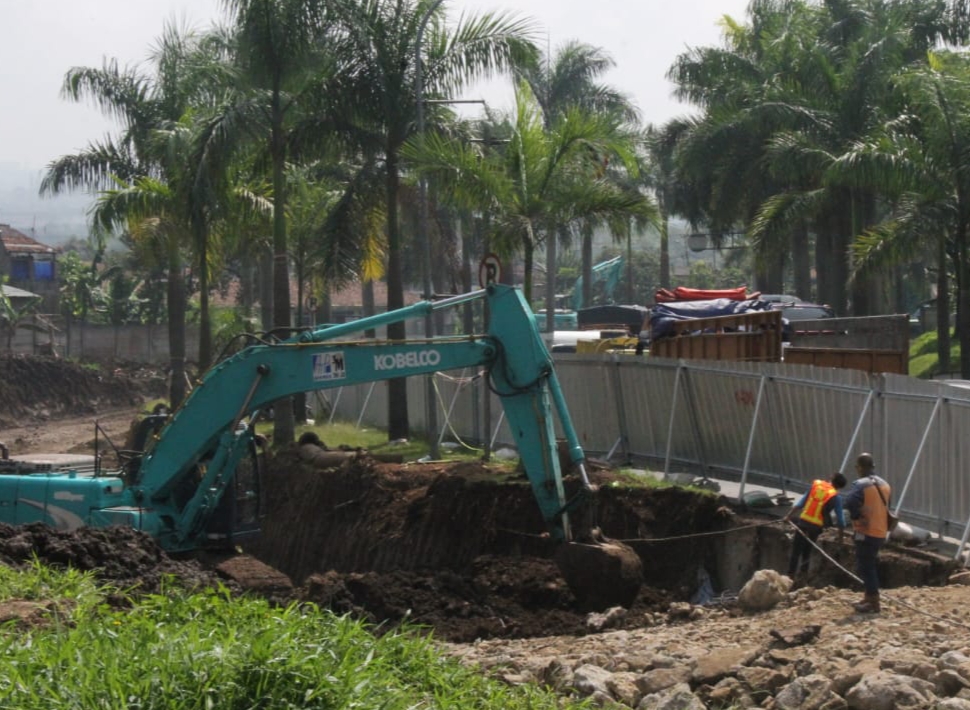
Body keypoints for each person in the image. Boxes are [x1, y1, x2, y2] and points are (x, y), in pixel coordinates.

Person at [844, 452, 892, 613]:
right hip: (881, 531)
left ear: (859, 467)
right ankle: (869, 597)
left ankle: (873, 602)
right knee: (869, 563)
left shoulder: (860, 484)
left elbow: (850, 502)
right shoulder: (885, 484)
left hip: (865, 531)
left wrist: (857, 516)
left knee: (866, 565)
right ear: (873, 467)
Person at [786, 472, 847, 580]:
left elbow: (801, 503)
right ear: (840, 487)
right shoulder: (836, 497)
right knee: (807, 551)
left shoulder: (816, 486)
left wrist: (788, 516)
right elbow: (841, 520)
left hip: (803, 522)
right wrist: (840, 539)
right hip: (815, 527)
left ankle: (790, 577)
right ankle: (802, 578)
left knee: (796, 551)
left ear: (831, 478)